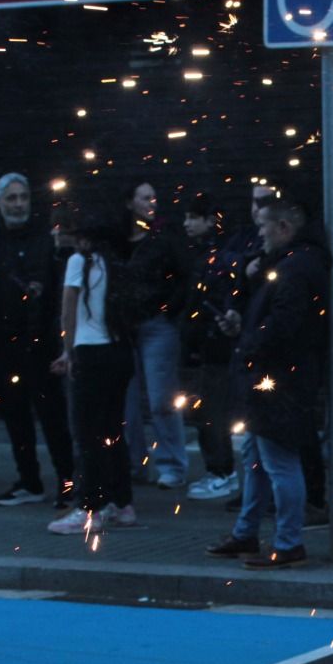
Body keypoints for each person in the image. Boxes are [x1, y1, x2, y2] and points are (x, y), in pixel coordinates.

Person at [205, 195, 329, 568]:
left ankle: (288, 541)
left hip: (278, 378)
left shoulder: (294, 267)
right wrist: (244, 330)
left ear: (283, 227)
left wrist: (248, 344)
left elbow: (283, 325)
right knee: (257, 458)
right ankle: (248, 532)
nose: (259, 234)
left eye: (263, 227)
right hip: (276, 375)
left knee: (277, 462)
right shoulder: (294, 263)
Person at [0, 172, 74, 507]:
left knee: (52, 416)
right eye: (11, 198)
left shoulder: (44, 237)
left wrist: (60, 340)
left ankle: (69, 482)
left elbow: (58, 290)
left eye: (23, 197)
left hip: (39, 342)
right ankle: (29, 480)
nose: (18, 204)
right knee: (15, 417)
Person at [48, 217, 139, 536]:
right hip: (119, 352)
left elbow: (68, 308)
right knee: (113, 431)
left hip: (89, 352)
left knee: (86, 434)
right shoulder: (115, 264)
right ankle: (122, 503)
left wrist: (66, 351)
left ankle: (90, 508)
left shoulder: (78, 262)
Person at [119, 180, 193, 489]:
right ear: (130, 202)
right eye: (145, 197)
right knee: (128, 401)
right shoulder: (123, 238)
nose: (151, 202)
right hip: (129, 324)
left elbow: (184, 274)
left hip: (154, 322)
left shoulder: (163, 237)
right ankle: (135, 462)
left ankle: (170, 464)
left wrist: (170, 309)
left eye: (153, 197)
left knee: (161, 397)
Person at [179, 194, 241, 501]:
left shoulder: (217, 257)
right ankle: (220, 470)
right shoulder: (211, 254)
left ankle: (222, 471)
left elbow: (207, 300)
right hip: (210, 343)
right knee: (209, 409)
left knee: (212, 410)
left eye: (193, 218)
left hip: (215, 344)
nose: (186, 224)